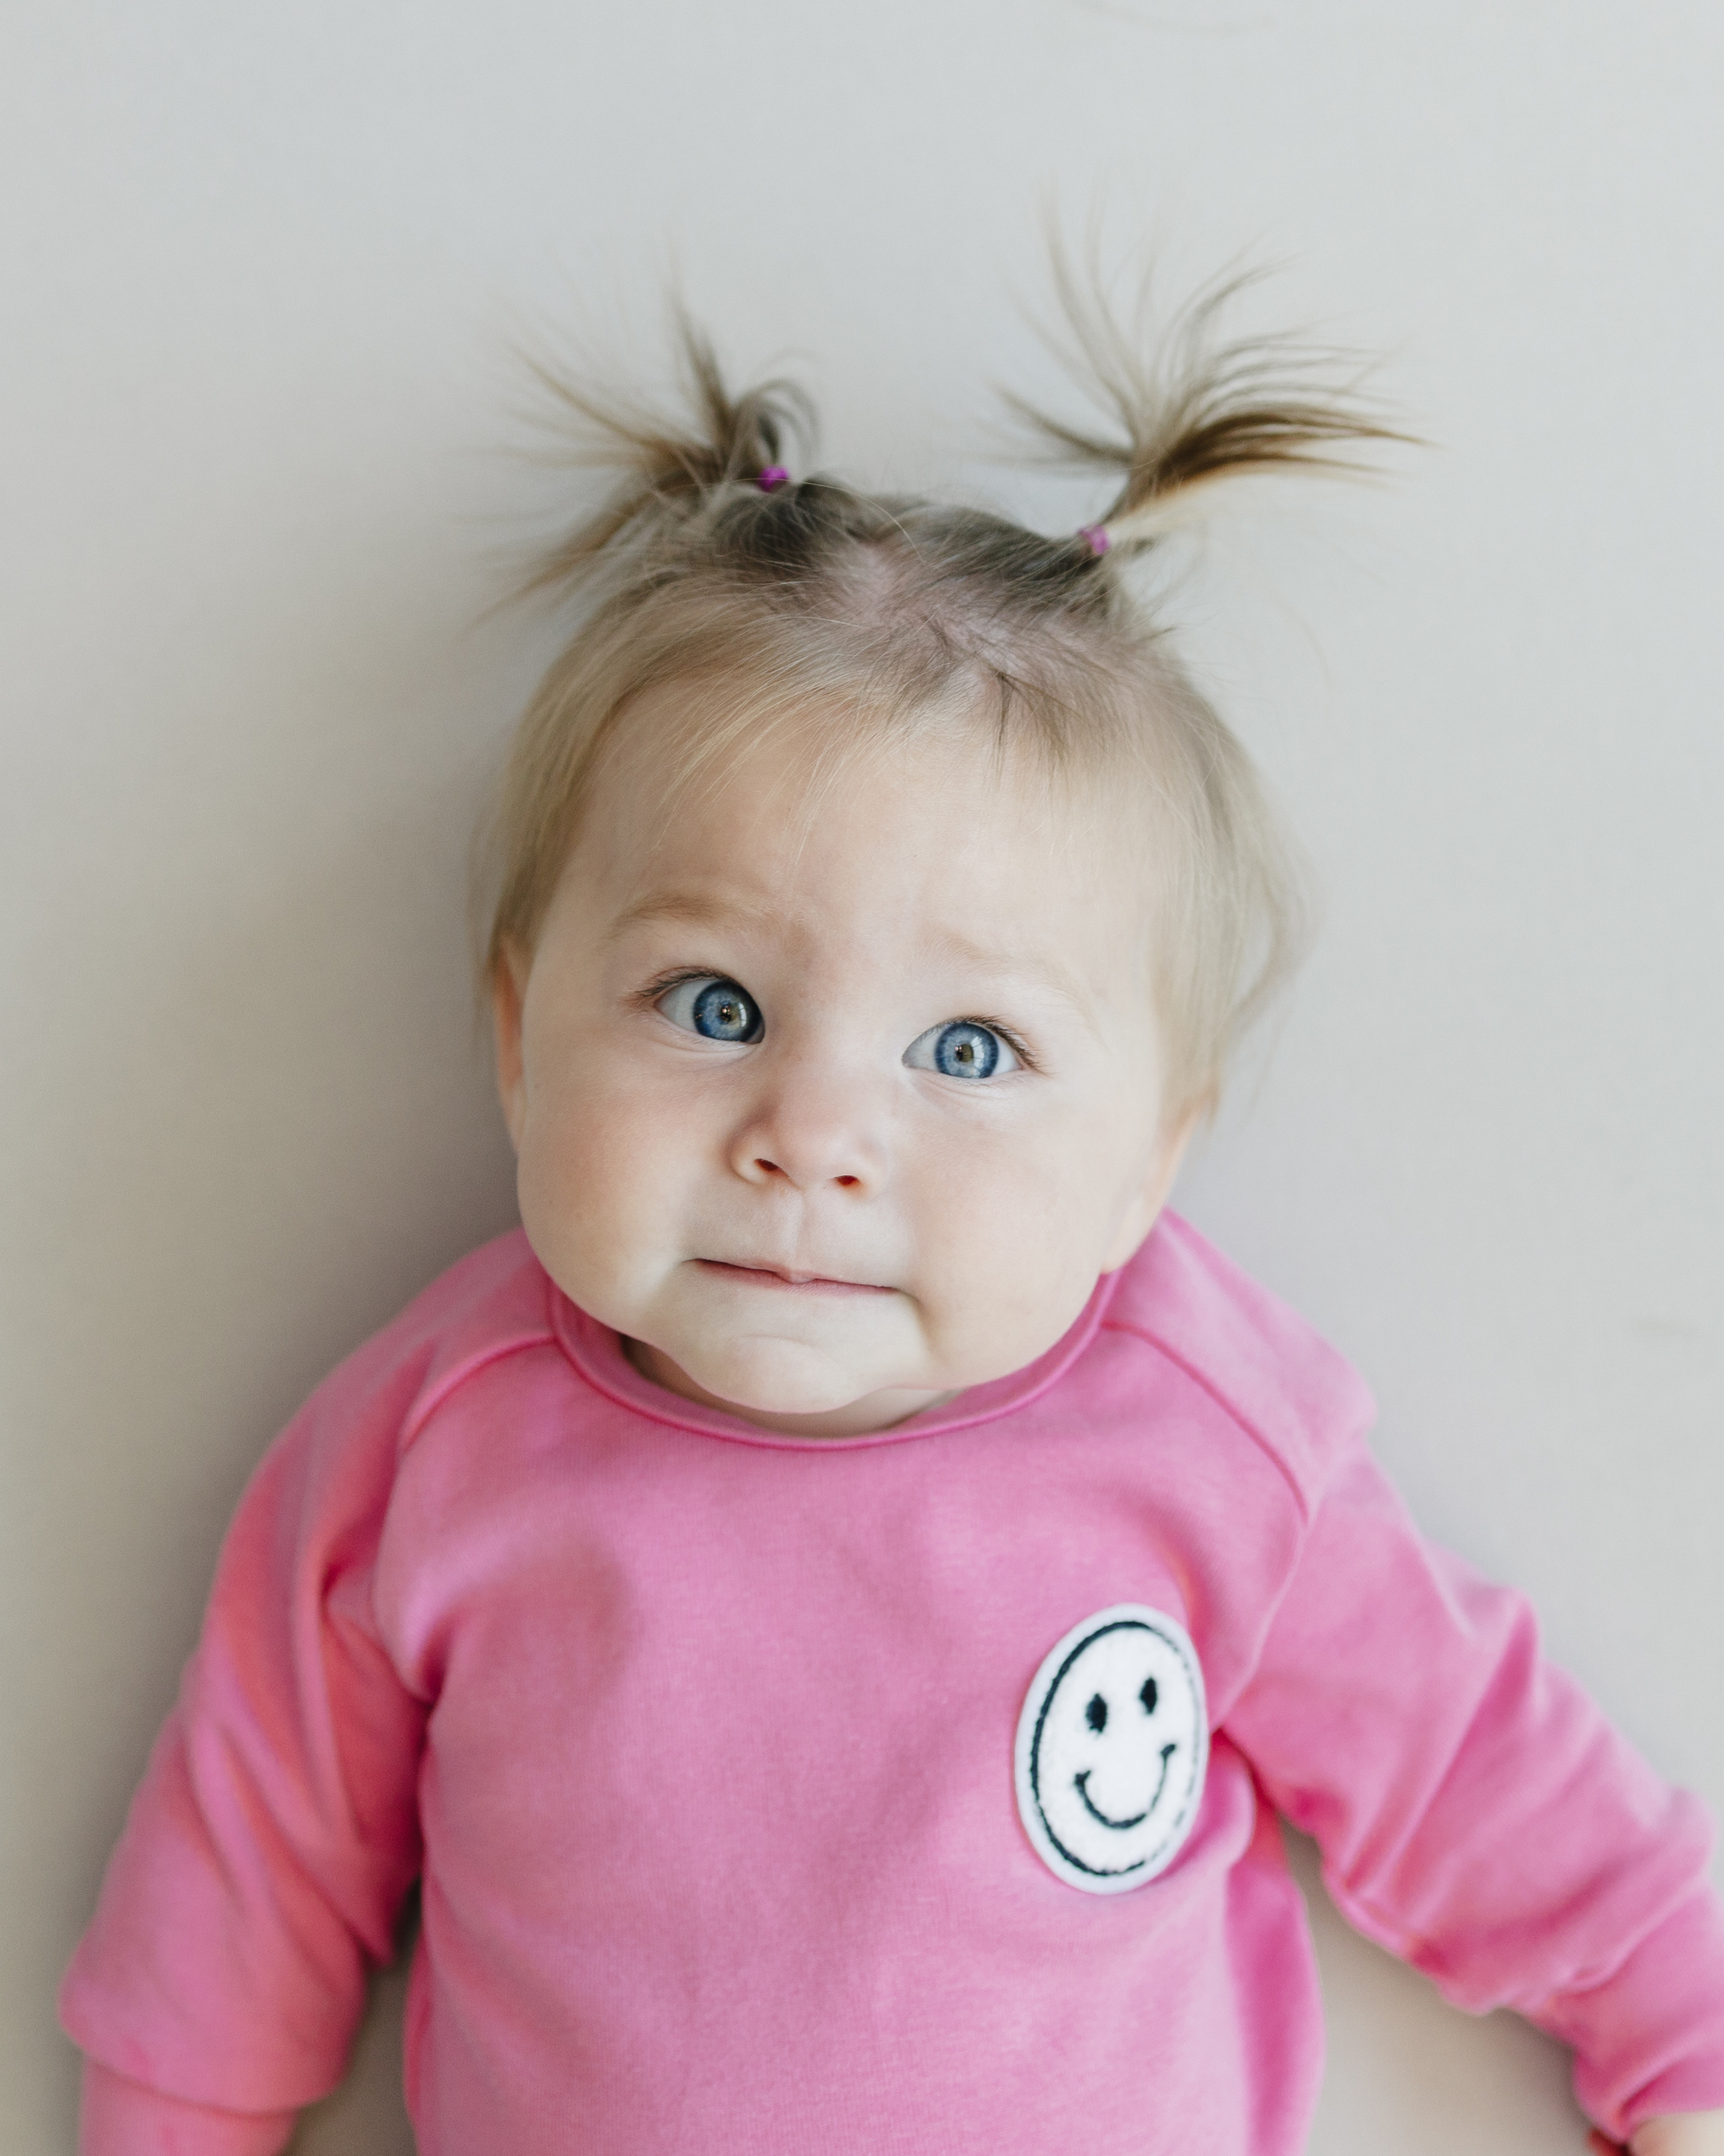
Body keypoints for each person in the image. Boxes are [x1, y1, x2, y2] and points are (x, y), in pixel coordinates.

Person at [59, 287, 1724, 2156]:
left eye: (968, 1049)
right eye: (712, 1005)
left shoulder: (1206, 1436)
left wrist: (1682, 2038)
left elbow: (1470, 1762)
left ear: (1147, 1160)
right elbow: (249, 1868)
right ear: (520, 1039)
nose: (813, 1139)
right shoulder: (431, 1448)